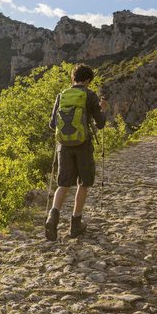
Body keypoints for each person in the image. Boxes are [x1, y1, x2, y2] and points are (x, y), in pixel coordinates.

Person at [46, 64, 107, 241]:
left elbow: (52, 124)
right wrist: (102, 109)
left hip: (63, 146)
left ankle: (53, 216)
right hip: (83, 145)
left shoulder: (62, 95)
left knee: (63, 183)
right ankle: (75, 223)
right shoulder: (89, 95)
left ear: (73, 78)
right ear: (88, 80)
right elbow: (100, 123)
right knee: (83, 182)